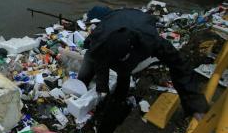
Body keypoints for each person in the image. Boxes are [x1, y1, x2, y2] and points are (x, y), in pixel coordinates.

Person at [78, 8, 209, 117]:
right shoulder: (99, 39)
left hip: (138, 21)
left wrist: (194, 103)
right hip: (115, 21)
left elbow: (179, 65)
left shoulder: (152, 41)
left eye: (123, 58)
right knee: (91, 59)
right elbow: (100, 61)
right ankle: (81, 86)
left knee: (124, 71)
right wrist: (102, 87)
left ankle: (118, 101)